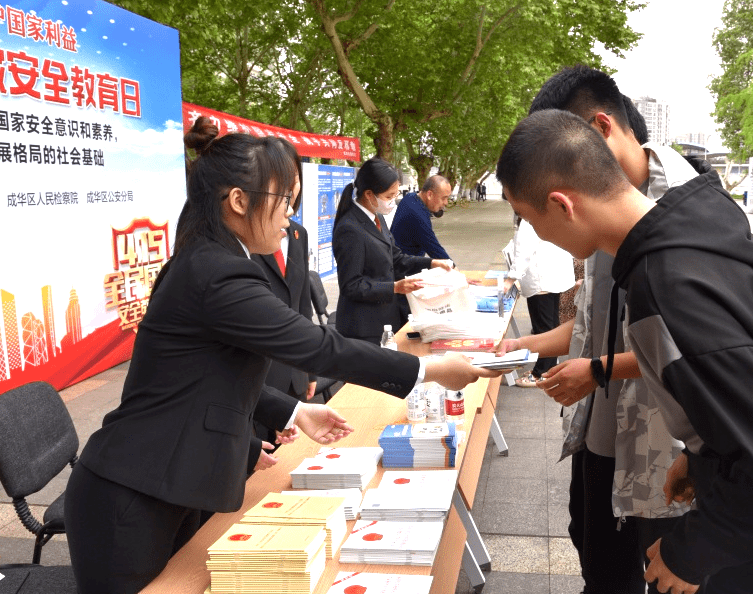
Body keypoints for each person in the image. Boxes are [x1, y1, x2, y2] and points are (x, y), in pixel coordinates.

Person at [64, 119, 497, 594]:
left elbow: (211, 377)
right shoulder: (218, 273)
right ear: (238, 201)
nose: (289, 218)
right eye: (283, 202)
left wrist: (294, 410)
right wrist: (429, 369)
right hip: (131, 493)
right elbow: (319, 346)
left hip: (170, 482)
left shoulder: (217, 260)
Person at [497, 107, 753, 594]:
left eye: (529, 218)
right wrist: (703, 458)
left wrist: (693, 552)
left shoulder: (671, 284)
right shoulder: (692, 237)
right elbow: (748, 396)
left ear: (561, 205)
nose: (537, 234)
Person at [496, 65, 705, 593]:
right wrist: (524, 345)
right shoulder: (599, 211)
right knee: (599, 563)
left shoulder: (689, 217)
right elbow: (593, 322)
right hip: (600, 433)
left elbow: (695, 350)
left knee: (664, 572)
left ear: (598, 129)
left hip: (663, 449)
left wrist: (598, 370)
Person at [333, 157, 453, 342]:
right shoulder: (350, 228)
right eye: (389, 197)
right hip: (363, 327)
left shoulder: (377, 217)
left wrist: (432, 263)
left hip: (385, 318)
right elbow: (352, 285)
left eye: (395, 195)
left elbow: (396, 258)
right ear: (369, 194)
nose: (392, 202)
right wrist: (394, 287)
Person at [251, 215, 317, 442]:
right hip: (263, 375)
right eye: (284, 199)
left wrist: (310, 369)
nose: (288, 208)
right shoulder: (249, 237)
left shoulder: (298, 234)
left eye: (291, 199)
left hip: (296, 369)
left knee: (298, 450)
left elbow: (303, 304)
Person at [505, 216, 575, 387]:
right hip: (554, 275)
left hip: (541, 279)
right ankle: (550, 367)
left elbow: (523, 251)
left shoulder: (529, 218)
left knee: (543, 328)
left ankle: (541, 373)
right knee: (551, 324)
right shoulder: (548, 210)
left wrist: (511, 278)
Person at [390, 174, 453, 259]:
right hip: (402, 264)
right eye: (443, 198)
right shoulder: (418, 216)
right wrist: (452, 265)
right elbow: (436, 251)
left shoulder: (410, 197)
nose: (446, 203)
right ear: (429, 195)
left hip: (396, 258)